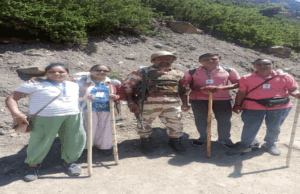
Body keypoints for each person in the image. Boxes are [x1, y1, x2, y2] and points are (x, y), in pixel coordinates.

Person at [5, 63, 86, 181]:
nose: (57, 74)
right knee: (40, 141)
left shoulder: (73, 85)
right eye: (52, 71)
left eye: (61, 72)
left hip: (73, 115)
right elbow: (11, 98)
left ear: (67, 73)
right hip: (44, 117)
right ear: (46, 73)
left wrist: (86, 98)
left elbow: (71, 98)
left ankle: (70, 162)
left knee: (74, 139)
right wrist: (16, 114)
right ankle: (33, 166)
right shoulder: (35, 84)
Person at [122, 51, 190, 154]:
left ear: (173, 60)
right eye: (160, 59)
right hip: (147, 105)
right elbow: (127, 86)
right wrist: (131, 102)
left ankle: (175, 141)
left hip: (172, 104)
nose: (164, 61)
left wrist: (185, 103)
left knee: (176, 124)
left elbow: (184, 90)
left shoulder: (178, 74)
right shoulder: (142, 72)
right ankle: (145, 141)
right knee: (144, 124)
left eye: (168, 59)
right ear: (153, 60)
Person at [228, 58, 300, 156]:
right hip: (253, 106)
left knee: (274, 127)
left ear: (273, 64)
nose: (262, 66)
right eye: (259, 64)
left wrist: (297, 94)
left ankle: (270, 144)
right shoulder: (246, 78)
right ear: (254, 66)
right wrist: (237, 104)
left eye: (266, 64)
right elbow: (241, 92)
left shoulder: (285, 77)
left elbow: (292, 90)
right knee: (250, 126)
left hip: (279, 107)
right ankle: (246, 144)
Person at [184, 53, 240, 149]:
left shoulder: (229, 71)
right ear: (200, 61)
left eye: (213, 59)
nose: (210, 61)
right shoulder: (191, 71)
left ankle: (224, 139)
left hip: (223, 100)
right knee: (200, 119)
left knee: (224, 120)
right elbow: (185, 85)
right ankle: (203, 137)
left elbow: (238, 84)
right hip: (198, 100)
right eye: (206, 59)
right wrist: (198, 88)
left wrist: (220, 88)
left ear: (219, 60)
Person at [74, 65, 120, 157]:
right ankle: (85, 148)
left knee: (106, 129)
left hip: (107, 109)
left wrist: (116, 97)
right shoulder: (79, 81)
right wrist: (83, 98)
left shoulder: (113, 83)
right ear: (91, 71)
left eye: (105, 71)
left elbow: (121, 94)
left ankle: (104, 147)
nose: (102, 72)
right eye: (98, 70)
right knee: (88, 128)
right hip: (87, 109)